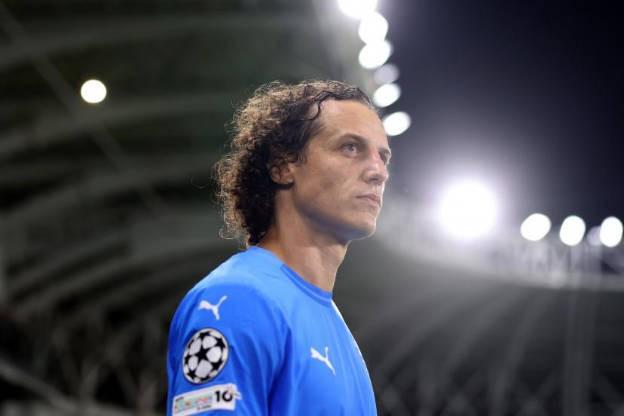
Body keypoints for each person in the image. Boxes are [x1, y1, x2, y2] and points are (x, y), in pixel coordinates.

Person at [166, 80, 391, 415]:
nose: (378, 172)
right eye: (350, 148)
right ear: (283, 166)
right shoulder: (237, 299)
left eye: (383, 157)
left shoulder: (334, 326)